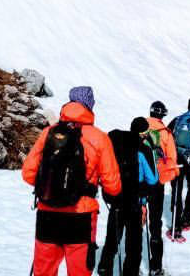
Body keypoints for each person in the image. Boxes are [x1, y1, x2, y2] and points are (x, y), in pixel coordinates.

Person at [22, 86, 121, 276]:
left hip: (48, 213)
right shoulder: (100, 138)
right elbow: (113, 185)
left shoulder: (49, 133)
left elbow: (28, 173)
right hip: (80, 216)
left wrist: (51, 182)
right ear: (90, 106)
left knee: (44, 271)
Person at [98, 116, 158, 276]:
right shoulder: (143, 149)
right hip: (134, 202)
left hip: (116, 198)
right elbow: (153, 179)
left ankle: (104, 269)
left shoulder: (116, 144)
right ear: (144, 133)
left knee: (112, 239)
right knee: (133, 246)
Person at [144, 101, 179, 276]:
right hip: (156, 182)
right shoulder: (165, 133)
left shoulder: (140, 126)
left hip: (140, 180)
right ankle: (155, 266)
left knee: (137, 222)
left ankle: (131, 263)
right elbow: (172, 158)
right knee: (155, 223)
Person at [166, 97, 190, 241]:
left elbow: (168, 136)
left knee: (177, 189)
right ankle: (187, 218)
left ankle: (176, 223)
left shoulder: (177, 119)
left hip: (177, 158)